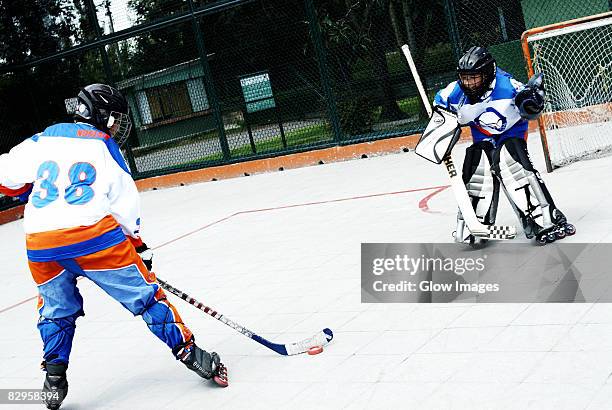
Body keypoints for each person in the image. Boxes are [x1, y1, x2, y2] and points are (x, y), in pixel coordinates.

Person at [0, 84, 227, 410]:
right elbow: (124, 207)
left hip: (40, 242)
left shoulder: (44, 137)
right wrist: (139, 249)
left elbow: (6, 177)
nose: (118, 125)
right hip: (94, 238)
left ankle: (53, 382)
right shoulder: (105, 147)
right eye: (115, 118)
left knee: (55, 310)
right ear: (101, 116)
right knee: (146, 298)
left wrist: (25, 191)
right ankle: (194, 356)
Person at [433, 46, 575, 245]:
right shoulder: (453, 93)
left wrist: (533, 101)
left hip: (511, 130)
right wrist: (440, 127)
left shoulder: (507, 87)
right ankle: (476, 223)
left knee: (509, 159)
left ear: (488, 72)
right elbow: (439, 106)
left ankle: (545, 218)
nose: (469, 83)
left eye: (474, 77)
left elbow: (529, 101)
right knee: (478, 159)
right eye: (465, 77)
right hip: (482, 132)